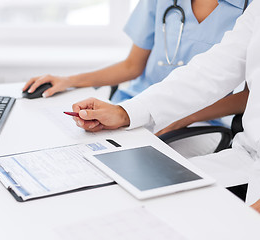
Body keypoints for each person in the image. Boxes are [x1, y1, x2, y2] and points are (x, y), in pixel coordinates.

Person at [70, 0, 260, 213]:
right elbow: (208, 73)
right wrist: (124, 112)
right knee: (124, 195)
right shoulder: (256, 11)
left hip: (234, 156)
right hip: (244, 158)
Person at [24, 0, 250, 131]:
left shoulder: (250, 12)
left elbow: (250, 96)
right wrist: (69, 81)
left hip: (197, 123)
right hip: (133, 103)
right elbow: (132, 66)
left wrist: (183, 117)